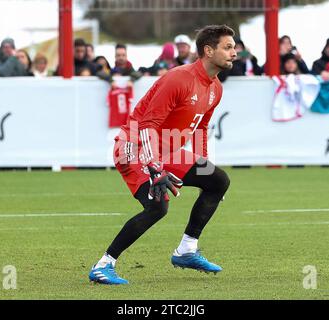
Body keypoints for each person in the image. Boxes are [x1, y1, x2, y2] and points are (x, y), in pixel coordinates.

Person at [88, 25, 235, 285]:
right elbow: (147, 125)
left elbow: (200, 128)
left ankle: (186, 250)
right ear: (208, 51)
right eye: (228, 47)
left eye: (233, 47)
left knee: (217, 181)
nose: (234, 52)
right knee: (157, 206)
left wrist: (203, 170)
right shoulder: (178, 78)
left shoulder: (216, 88)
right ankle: (104, 265)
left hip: (165, 148)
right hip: (134, 146)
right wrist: (155, 168)